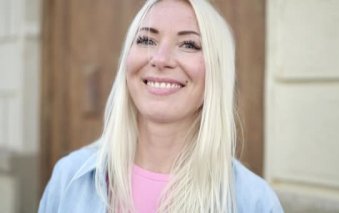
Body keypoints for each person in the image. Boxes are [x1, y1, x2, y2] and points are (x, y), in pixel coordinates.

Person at [38, 0, 284, 212]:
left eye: (189, 44)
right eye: (146, 40)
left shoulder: (254, 202)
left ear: (216, 72)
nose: (160, 59)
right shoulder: (69, 178)